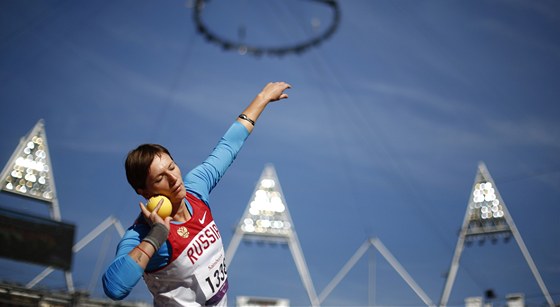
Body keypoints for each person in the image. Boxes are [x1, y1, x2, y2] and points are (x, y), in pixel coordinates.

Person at [102, 82, 291, 306]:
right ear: (143, 191)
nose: (173, 178)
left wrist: (263, 98)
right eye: (160, 178)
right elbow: (114, 287)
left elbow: (228, 146)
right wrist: (157, 235)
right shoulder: (143, 233)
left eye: (172, 167)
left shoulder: (195, 188)